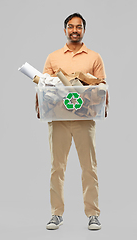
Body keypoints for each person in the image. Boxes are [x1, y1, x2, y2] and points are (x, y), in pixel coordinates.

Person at [36, 13, 108, 230]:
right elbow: (43, 86)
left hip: (84, 118)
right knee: (57, 167)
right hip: (58, 119)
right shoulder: (53, 57)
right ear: (65, 30)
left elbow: (102, 85)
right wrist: (39, 104)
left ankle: (93, 214)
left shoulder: (94, 57)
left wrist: (85, 79)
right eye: (70, 26)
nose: (74, 30)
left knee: (89, 167)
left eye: (78, 27)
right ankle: (56, 214)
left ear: (84, 30)